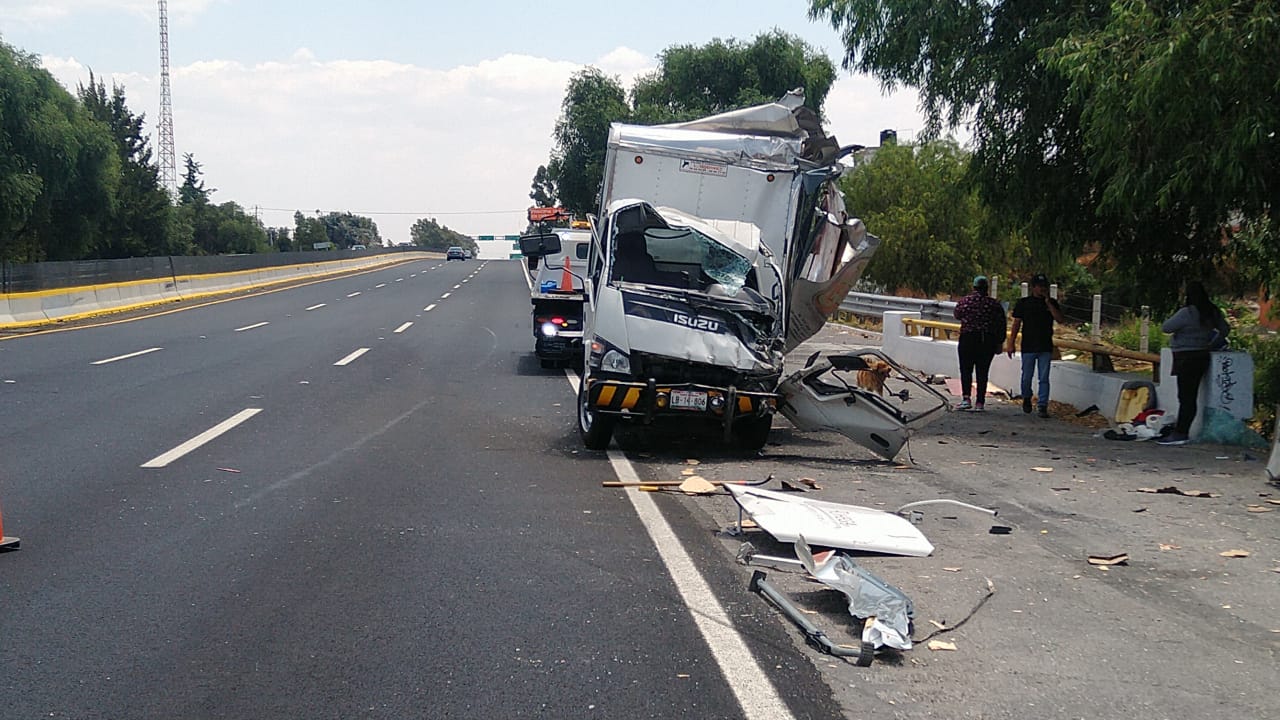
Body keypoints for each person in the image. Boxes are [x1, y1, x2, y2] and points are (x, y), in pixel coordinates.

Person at [1157, 281, 1230, 446]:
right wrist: (1213, 343)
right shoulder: (1212, 312)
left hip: (1185, 356)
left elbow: (1166, 327)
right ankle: (1181, 430)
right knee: (1191, 395)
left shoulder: (1187, 312)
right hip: (1202, 354)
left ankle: (1181, 432)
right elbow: (1225, 329)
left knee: (1186, 396)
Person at [1005, 274, 1065, 418]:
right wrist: (1011, 343)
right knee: (1026, 376)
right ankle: (1026, 396)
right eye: (1039, 286)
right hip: (1029, 345)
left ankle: (1042, 405)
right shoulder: (1024, 303)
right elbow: (1016, 324)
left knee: (1044, 377)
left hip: (1045, 345)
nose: (1042, 289)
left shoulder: (1051, 303)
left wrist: (1049, 303)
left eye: (1044, 286)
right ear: (1033, 287)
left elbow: (1060, 319)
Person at [953, 275, 1006, 411]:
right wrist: (1000, 342)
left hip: (968, 338)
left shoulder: (965, 302)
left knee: (966, 369)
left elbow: (957, 314)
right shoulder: (994, 304)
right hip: (987, 340)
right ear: (986, 288)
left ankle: (966, 399)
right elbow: (1001, 323)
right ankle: (980, 402)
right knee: (982, 371)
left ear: (974, 287)